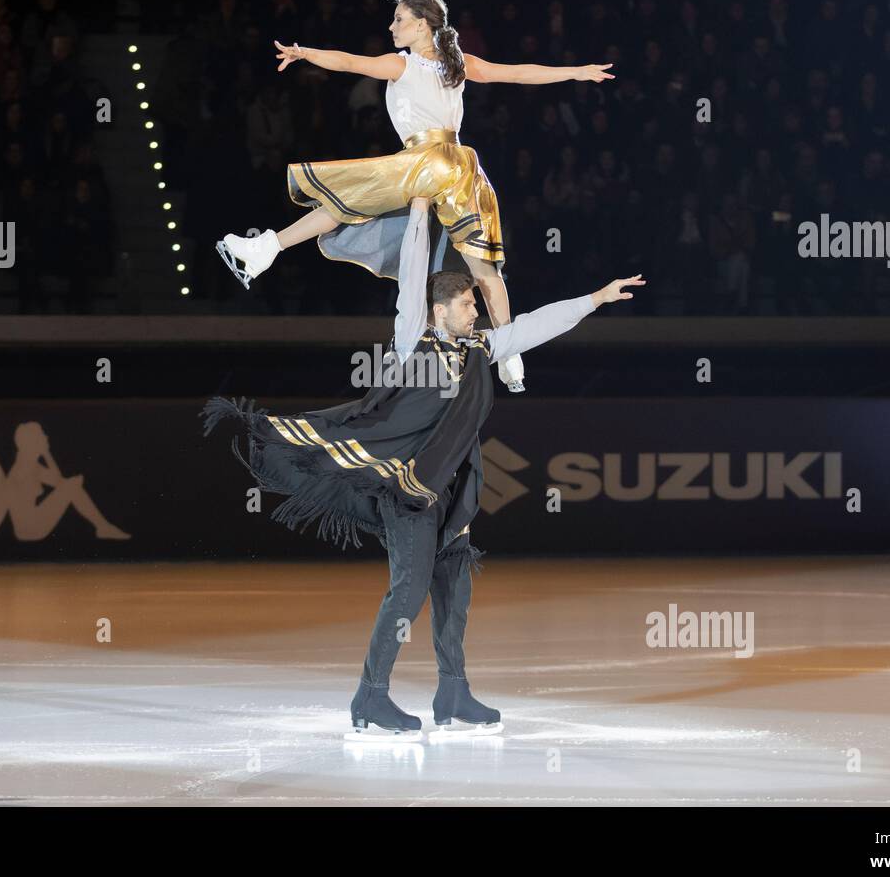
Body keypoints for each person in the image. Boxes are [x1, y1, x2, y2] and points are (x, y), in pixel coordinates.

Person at [202, 196, 645, 736]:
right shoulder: (413, 336)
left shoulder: (481, 348)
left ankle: (453, 693)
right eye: (465, 304)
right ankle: (370, 698)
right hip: (407, 491)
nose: (474, 311)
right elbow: (413, 273)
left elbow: (536, 326)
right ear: (439, 310)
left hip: (451, 495)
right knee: (408, 591)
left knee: (454, 586)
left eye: (473, 304)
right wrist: (416, 209)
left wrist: (596, 298)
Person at [215, 0, 615, 393]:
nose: (392, 26)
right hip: (462, 168)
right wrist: (576, 72)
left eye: (399, 19)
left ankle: (267, 248)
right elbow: (515, 72)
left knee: (349, 196)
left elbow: (350, 62)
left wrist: (306, 54)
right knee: (486, 271)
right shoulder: (458, 65)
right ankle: (510, 356)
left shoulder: (402, 65)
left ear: (422, 24)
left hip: (427, 161)